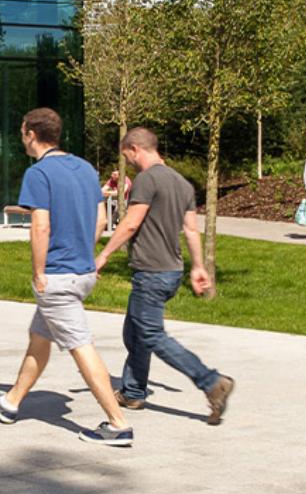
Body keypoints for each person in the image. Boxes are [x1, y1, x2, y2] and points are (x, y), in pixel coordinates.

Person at [0, 107, 134, 446]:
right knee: (40, 337)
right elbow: (101, 222)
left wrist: (38, 272)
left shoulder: (39, 173)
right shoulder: (85, 168)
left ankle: (118, 423)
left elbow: (41, 225)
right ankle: (10, 402)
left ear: (31, 134)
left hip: (57, 278)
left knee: (80, 346)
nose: (21, 137)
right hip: (81, 272)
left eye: (22, 132)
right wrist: (85, 257)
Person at [94, 127, 234, 425]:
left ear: (134, 149)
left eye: (126, 156)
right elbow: (192, 230)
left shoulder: (147, 180)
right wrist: (198, 267)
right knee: (134, 332)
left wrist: (103, 255)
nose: (127, 162)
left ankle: (211, 381)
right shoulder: (181, 183)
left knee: (151, 335)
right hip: (171, 270)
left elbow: (131, 223)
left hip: (152, 273)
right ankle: (133, 391)